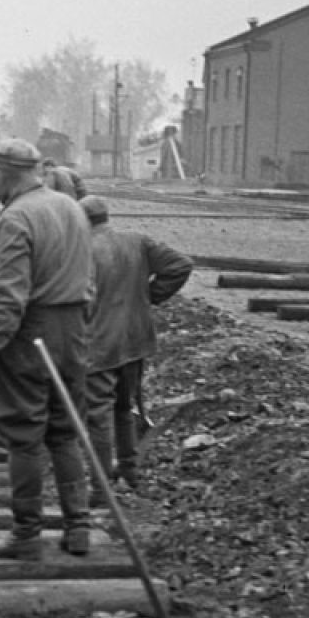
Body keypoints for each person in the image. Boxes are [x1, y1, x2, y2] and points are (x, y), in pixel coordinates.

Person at [0, 138, 95, 560]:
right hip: (73, 332)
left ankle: (25, 535)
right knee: (64, 432)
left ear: (2, 173)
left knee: (22, 435)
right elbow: (88, 280)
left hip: (31, 336)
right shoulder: (71, 207)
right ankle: (78, 530)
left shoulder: (16, 217)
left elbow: (8, 298)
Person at [79, 195, 191, 500]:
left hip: (100, 344)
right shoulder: (137, 241)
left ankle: (101, 487)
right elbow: (181, 265)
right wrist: (149, 296)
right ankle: (129, 471)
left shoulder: (82, 251)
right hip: (135, 340)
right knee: (124, 407)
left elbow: (77, 300)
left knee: (97, 416)